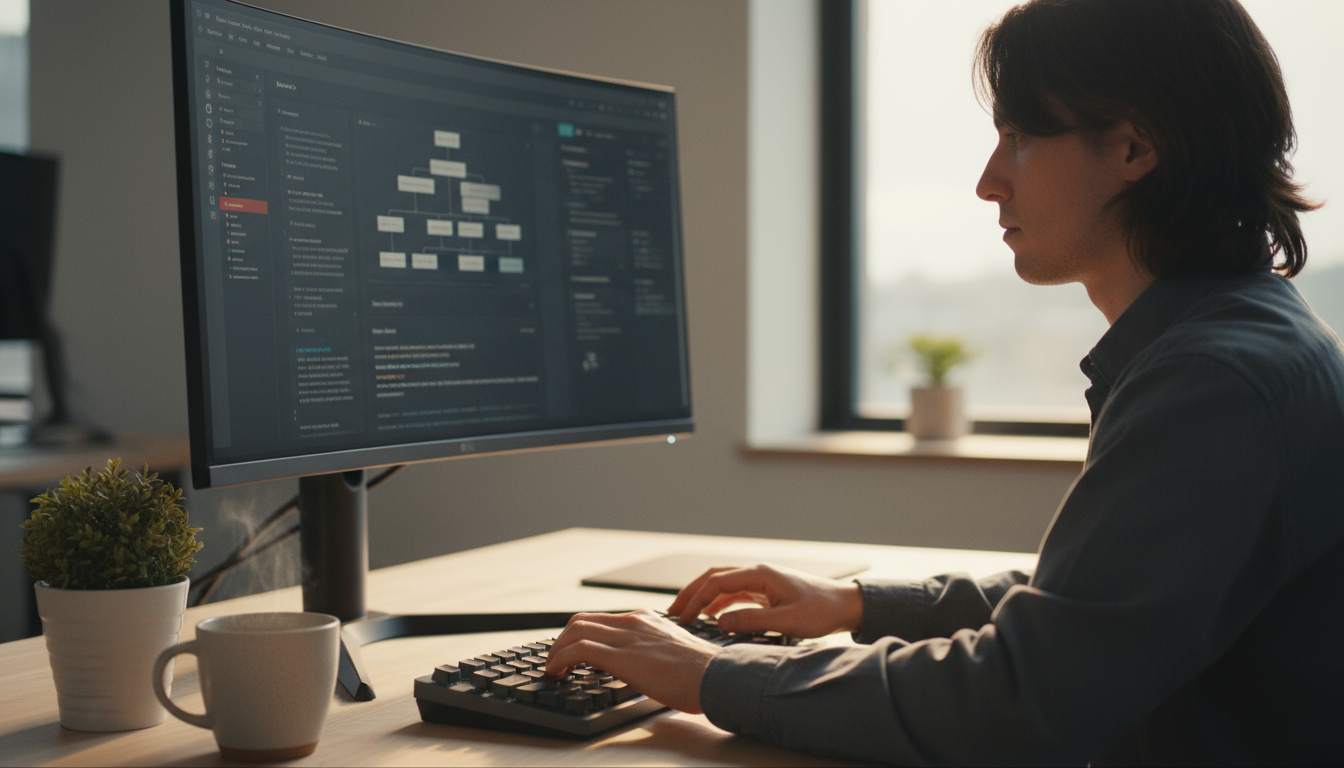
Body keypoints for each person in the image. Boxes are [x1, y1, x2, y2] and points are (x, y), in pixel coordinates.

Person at [545, 0, 1344, 763]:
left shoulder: (1212, 383)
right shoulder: (1245, 342)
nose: (989, 181)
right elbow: (1101, 604)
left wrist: (708, 673)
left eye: (1019, 138)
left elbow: (1015, 702)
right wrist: (857, 604)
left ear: (1134, 149)